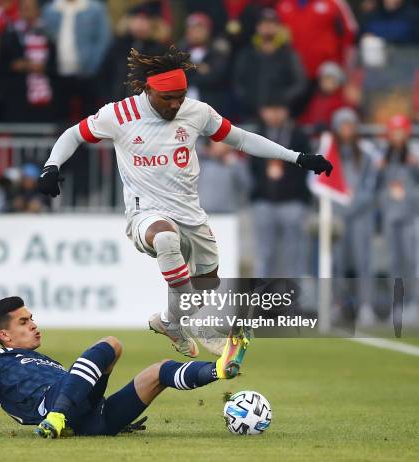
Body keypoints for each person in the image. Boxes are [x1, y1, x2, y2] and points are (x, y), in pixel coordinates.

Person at [37, 46, 332, 357]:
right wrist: (51, 167)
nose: (176, 104)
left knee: (206, 284)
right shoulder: (120, 114)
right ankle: (200, 325)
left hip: (191, 213)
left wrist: (297, 157)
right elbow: (73, 134)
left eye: (180, 96)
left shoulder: (197, 112)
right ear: (148, 89)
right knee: (165, 238)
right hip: (145, 213)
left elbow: (242, 139)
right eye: (168, 98)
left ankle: (169, 321)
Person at [0, 296, 248, 439]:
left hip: (90, 419)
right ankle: (56, 418)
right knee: (109, 345)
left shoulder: (45, 361)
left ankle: (219, 368)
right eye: (24, 322)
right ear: (5, 335)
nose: (34, 324)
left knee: (159, 370)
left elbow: (84, 382)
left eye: (32, 318)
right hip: (52, 407)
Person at [248, 97, 312, 278]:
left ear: (286, 111)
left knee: (295, 254)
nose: (274, 114)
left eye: (278, 109)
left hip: (292, 202)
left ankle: (294, 300)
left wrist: (299, 197)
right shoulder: (257, 134)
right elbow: (252, 168)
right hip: (264, 201)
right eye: (270, 109)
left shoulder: (298, 135)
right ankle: (262, 300)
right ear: (263, 112)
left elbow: (306, 167)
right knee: (264, 254)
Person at [327, 108, 379, 324]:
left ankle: (366, 306)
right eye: (343, 125)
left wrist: (353, 204)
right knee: (338, 263)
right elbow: (325, 184)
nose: (347, 130)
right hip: (338, 216)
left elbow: (370, 186)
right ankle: (339, 305)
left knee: (363, 262)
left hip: (361, 217)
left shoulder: (366, 155)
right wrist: (340, 205)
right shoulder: (329, 154)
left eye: (350, 125)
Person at [42, 0, 111, 122]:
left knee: (89, 117)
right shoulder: (51, 9)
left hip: (87, 72)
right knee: (60, 118)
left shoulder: (95, 9)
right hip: (58, 72)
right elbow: (45, 36)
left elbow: (103, 40)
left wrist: (92, 66)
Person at [377, 114, 419, 310]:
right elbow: (376, 187)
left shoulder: (414, 155)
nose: (397, 136)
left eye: (400, 132)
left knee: (412, 261)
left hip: (412, 215)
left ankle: (414, 302)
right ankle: (398, 303)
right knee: (393, 262)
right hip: (390, 215)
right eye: (394, 132)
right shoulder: (383, 157)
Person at [233, 8, 306, 120]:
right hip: (250, 115)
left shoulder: (288, 54)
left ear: (278, 27)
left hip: (280, 116)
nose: (267, 27)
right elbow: (237, 83)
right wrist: (255, 105)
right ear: (257, 27)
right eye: (263, 23)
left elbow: (299, 84)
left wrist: (279, 104)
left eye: (272, 23)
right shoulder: (247, 54)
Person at [0, 0, 56, 122]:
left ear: (38, 11)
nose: (27, 12)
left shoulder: (48, 34)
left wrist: (44, 68)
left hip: (45, 97)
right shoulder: (10, 34)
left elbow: (56, 65)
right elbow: (1, 64)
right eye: (24, 8)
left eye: (30, 8)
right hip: (17, 96)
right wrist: (17, 66)